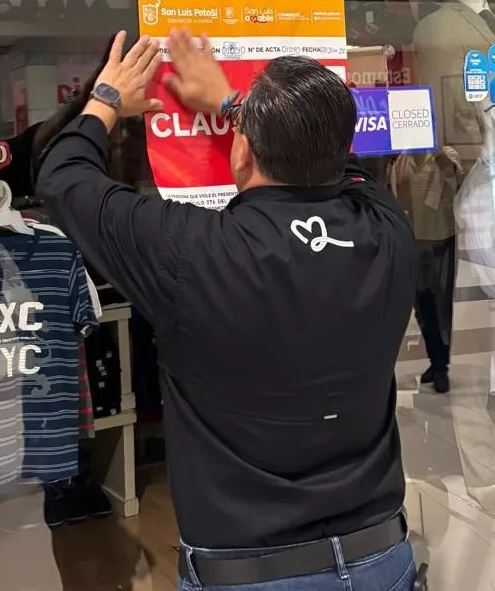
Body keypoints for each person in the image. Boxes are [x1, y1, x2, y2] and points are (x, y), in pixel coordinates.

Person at [36, 30, 419, 591]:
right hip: (380, 558)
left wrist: (108, 98)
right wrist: (234, 106)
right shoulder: (388, 231)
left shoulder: (191, 252)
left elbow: (64, 177)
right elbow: (345, 164)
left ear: (241, 151)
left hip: (250, 573)